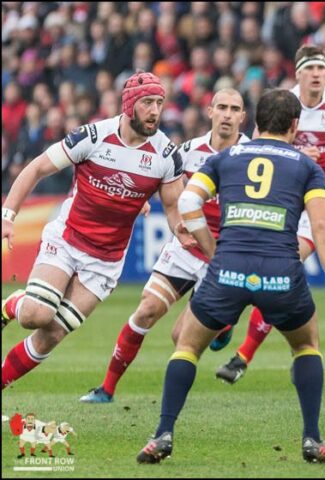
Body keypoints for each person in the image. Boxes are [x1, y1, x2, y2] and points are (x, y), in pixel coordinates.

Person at [135, 88, 325, 464]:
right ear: (294, 125)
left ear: (255, 123)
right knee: (306, 346)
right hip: (280, 271)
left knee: (187, 347)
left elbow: (188, 203)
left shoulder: (225, 158)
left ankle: (163, 434)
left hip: (229, 268)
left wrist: (211, 250)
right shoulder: (307, 166)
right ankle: (312, 439)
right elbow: (321, 225)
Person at [1, 72, 188, 390]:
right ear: (129, 105)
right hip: (68, 238)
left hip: (106, 260)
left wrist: (183, 232)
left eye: (159, 102)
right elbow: (36, 169)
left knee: (52, 334)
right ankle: (13, 304)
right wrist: (8, 215)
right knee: (36, 315)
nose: (155, 110)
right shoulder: (92, 136)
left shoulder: (167, 156)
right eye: (147, 103)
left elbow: (173, 209)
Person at [215, 44, 325, 382]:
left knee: (279, 267)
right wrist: (292, 150)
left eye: (322, 68)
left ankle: (242, 355)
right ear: (299, 73)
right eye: (310, 68)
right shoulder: (283, 104)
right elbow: (259, 142)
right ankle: (267, 347)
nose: (317, 73)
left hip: (318, 205)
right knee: (273, 274)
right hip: (283, 202)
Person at [79, 88, 250, 404]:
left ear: (243, 117)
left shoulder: (253, 156)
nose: (227, 114)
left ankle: (224, 321)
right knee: (145, 311)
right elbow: (157, 178)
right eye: (222, 107)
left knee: (180, 337)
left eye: (234, 109)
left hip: (224, 255)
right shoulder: (186, 151)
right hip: (185, 247)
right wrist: (141, 200)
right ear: (209, 112)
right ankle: (106, 390)